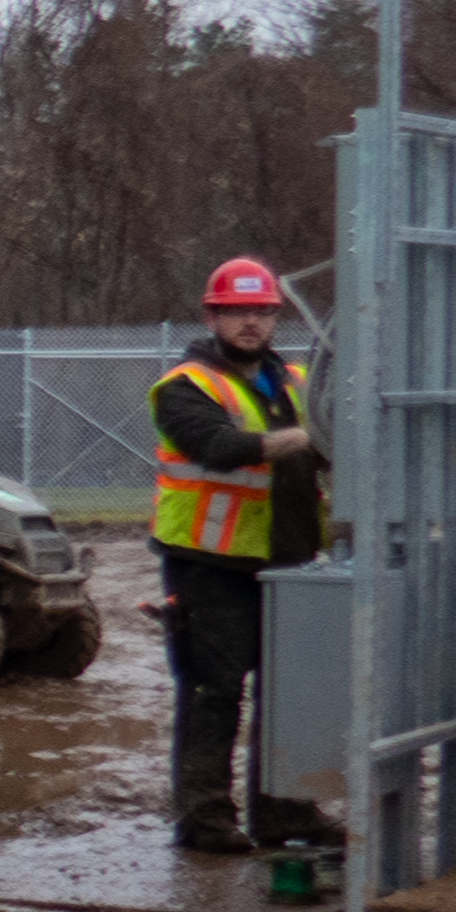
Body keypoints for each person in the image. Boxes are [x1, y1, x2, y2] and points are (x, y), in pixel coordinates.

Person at [154, 255, 336, 859]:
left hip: (290, 561)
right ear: (213, 316)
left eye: (261, 311)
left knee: (288, 693)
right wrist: (314, 435)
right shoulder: (185, 386)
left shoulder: (298, 379)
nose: (251, 322)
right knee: (215, 692)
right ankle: (204, 820)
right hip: (211, 567)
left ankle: (284, 811)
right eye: (238, 312)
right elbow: (221, 448)